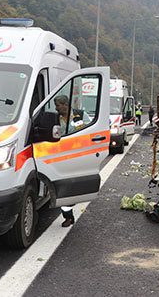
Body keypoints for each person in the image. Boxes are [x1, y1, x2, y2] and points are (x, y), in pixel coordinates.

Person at [53, 94, 86, 227]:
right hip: (62, 157)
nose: (56, 108)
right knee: (63, 189)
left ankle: (73, 202)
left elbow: (89, 130)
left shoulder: (80, 115)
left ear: (66, 105)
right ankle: (68, 216)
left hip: (78, 156)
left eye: (58, 105)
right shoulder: (55, 119)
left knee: (74, 187)